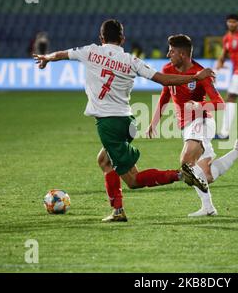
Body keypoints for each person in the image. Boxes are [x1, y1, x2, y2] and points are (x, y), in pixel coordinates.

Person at [33, 19, 215, 222]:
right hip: (127, 122)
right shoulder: (131, 60)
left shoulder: (90, 51)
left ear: (101, 38)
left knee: (134, 180)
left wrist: (46, 58)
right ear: (123, 39)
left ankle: (179, 176)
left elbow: (62, 54)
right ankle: (118, 209)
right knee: (104, 160)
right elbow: (164, 80)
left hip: (108, 123)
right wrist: (194, 77)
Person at [147, 34, 238, 217]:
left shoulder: (201, 73)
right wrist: (153, 122)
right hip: (185, 126)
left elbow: (220, 103)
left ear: (182, 54)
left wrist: (199, 105)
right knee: (207, 175)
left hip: (202, 121)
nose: (167, 54)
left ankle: (208, 207)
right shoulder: (167, 69)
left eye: (171, 51)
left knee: (187, 162)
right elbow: (165, 96)